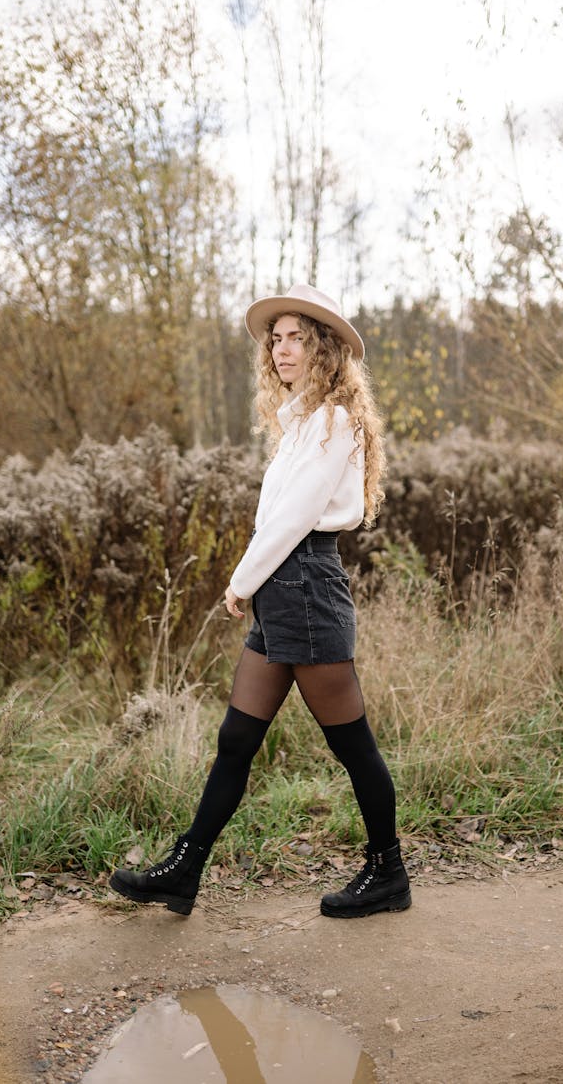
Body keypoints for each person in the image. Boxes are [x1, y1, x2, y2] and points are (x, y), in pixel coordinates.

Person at [109, 284, 410, 919]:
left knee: (352, 743)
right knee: (237, 739)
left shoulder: (332, 420)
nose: (281, 348)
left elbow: (295, 519)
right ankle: (184, 870)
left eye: (296, 336)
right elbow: (273, 515)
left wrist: (241, 581)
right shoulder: (301, 423)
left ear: (324, 347)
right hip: (283, 586)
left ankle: (389, 873)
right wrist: (256, 580)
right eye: (276, 339)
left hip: (303, 584)